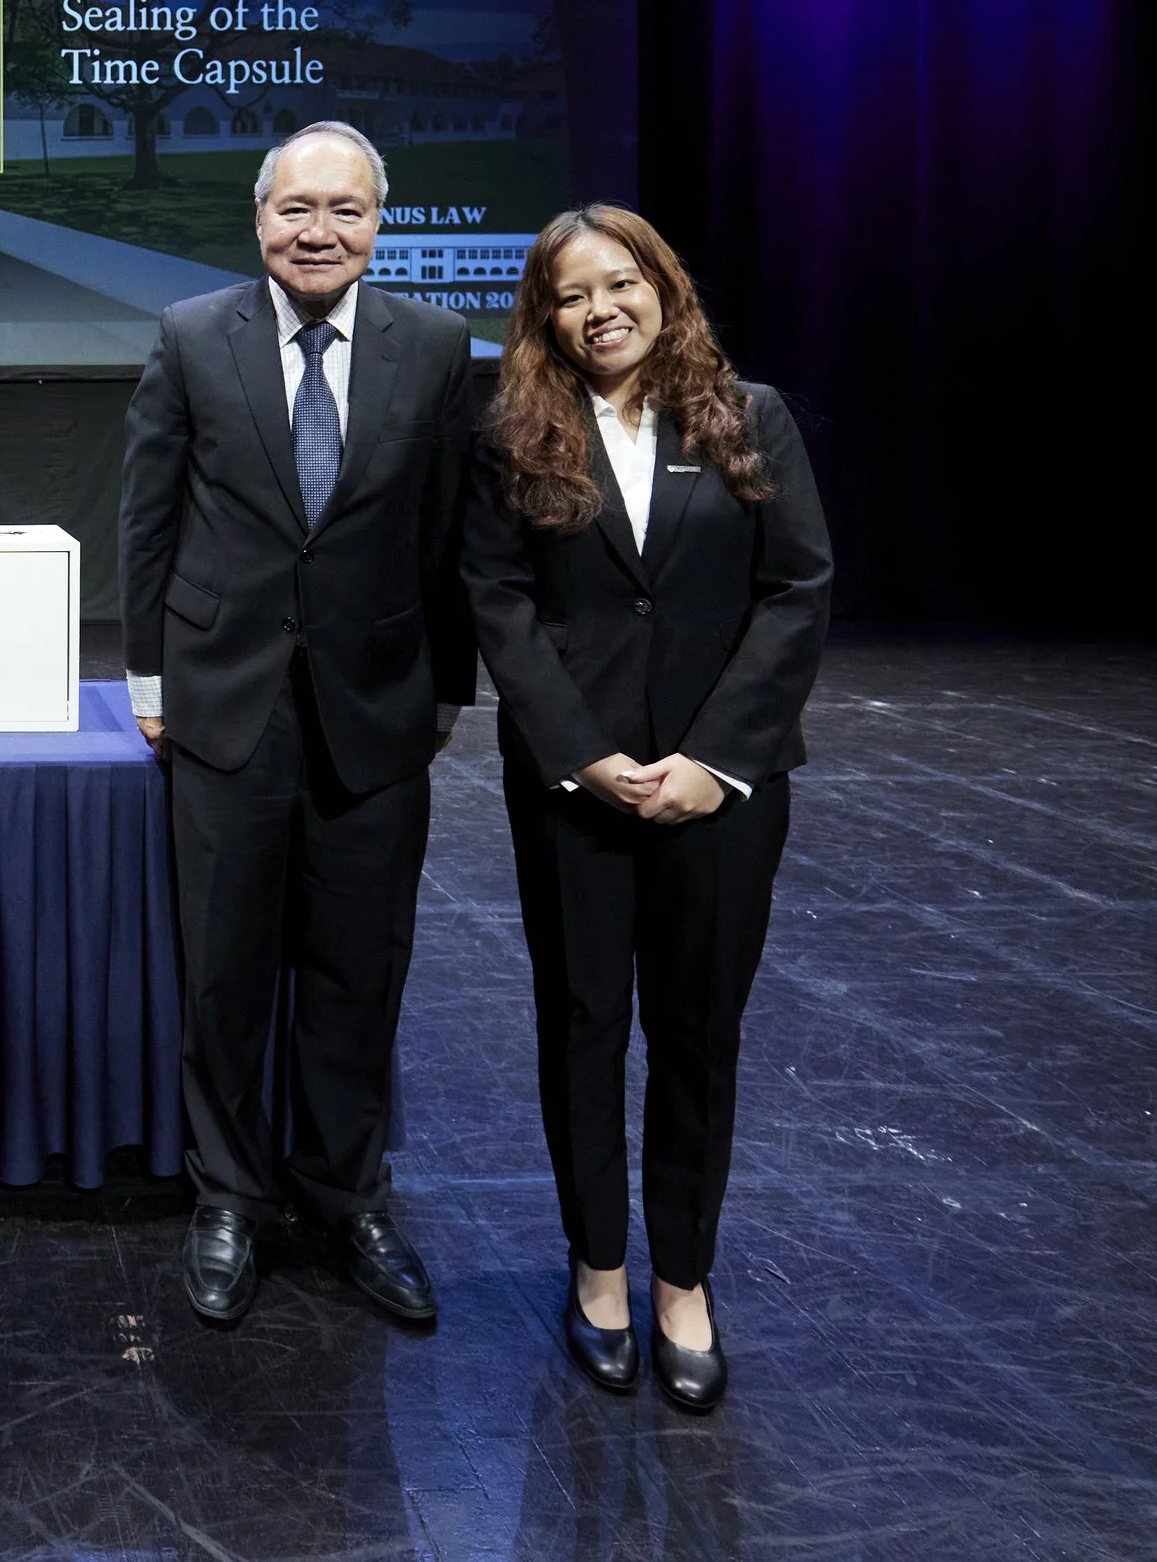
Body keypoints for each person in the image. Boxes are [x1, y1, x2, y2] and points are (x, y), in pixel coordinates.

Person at [463, 204, 831, 1410]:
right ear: (545, 316)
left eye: (620, 282)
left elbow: (795, 592)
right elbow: (498, 601)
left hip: (718, 793)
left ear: (663, 289)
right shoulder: (517, 434)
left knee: (695, 1036)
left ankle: (684, 1281)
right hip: (577, 793)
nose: (599, 308)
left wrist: (711, 758)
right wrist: (581, 754)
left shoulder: (747, 415)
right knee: (581, 1029)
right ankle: (600, 1270)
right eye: (571, 294)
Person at [121, 121, 476, 1325]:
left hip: (375, 711)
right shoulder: (188, 336)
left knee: (355, 968)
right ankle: (226, 1197)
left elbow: (447, 535)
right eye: (295, 210)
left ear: (382, 222)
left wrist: (444, 688)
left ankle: (346, 1194)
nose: (318, 232)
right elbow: (149, 518)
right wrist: (149, 681)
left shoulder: (432, 349)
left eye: (346, 210)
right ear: (258, 218)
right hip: (223, 705)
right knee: (224, 967)